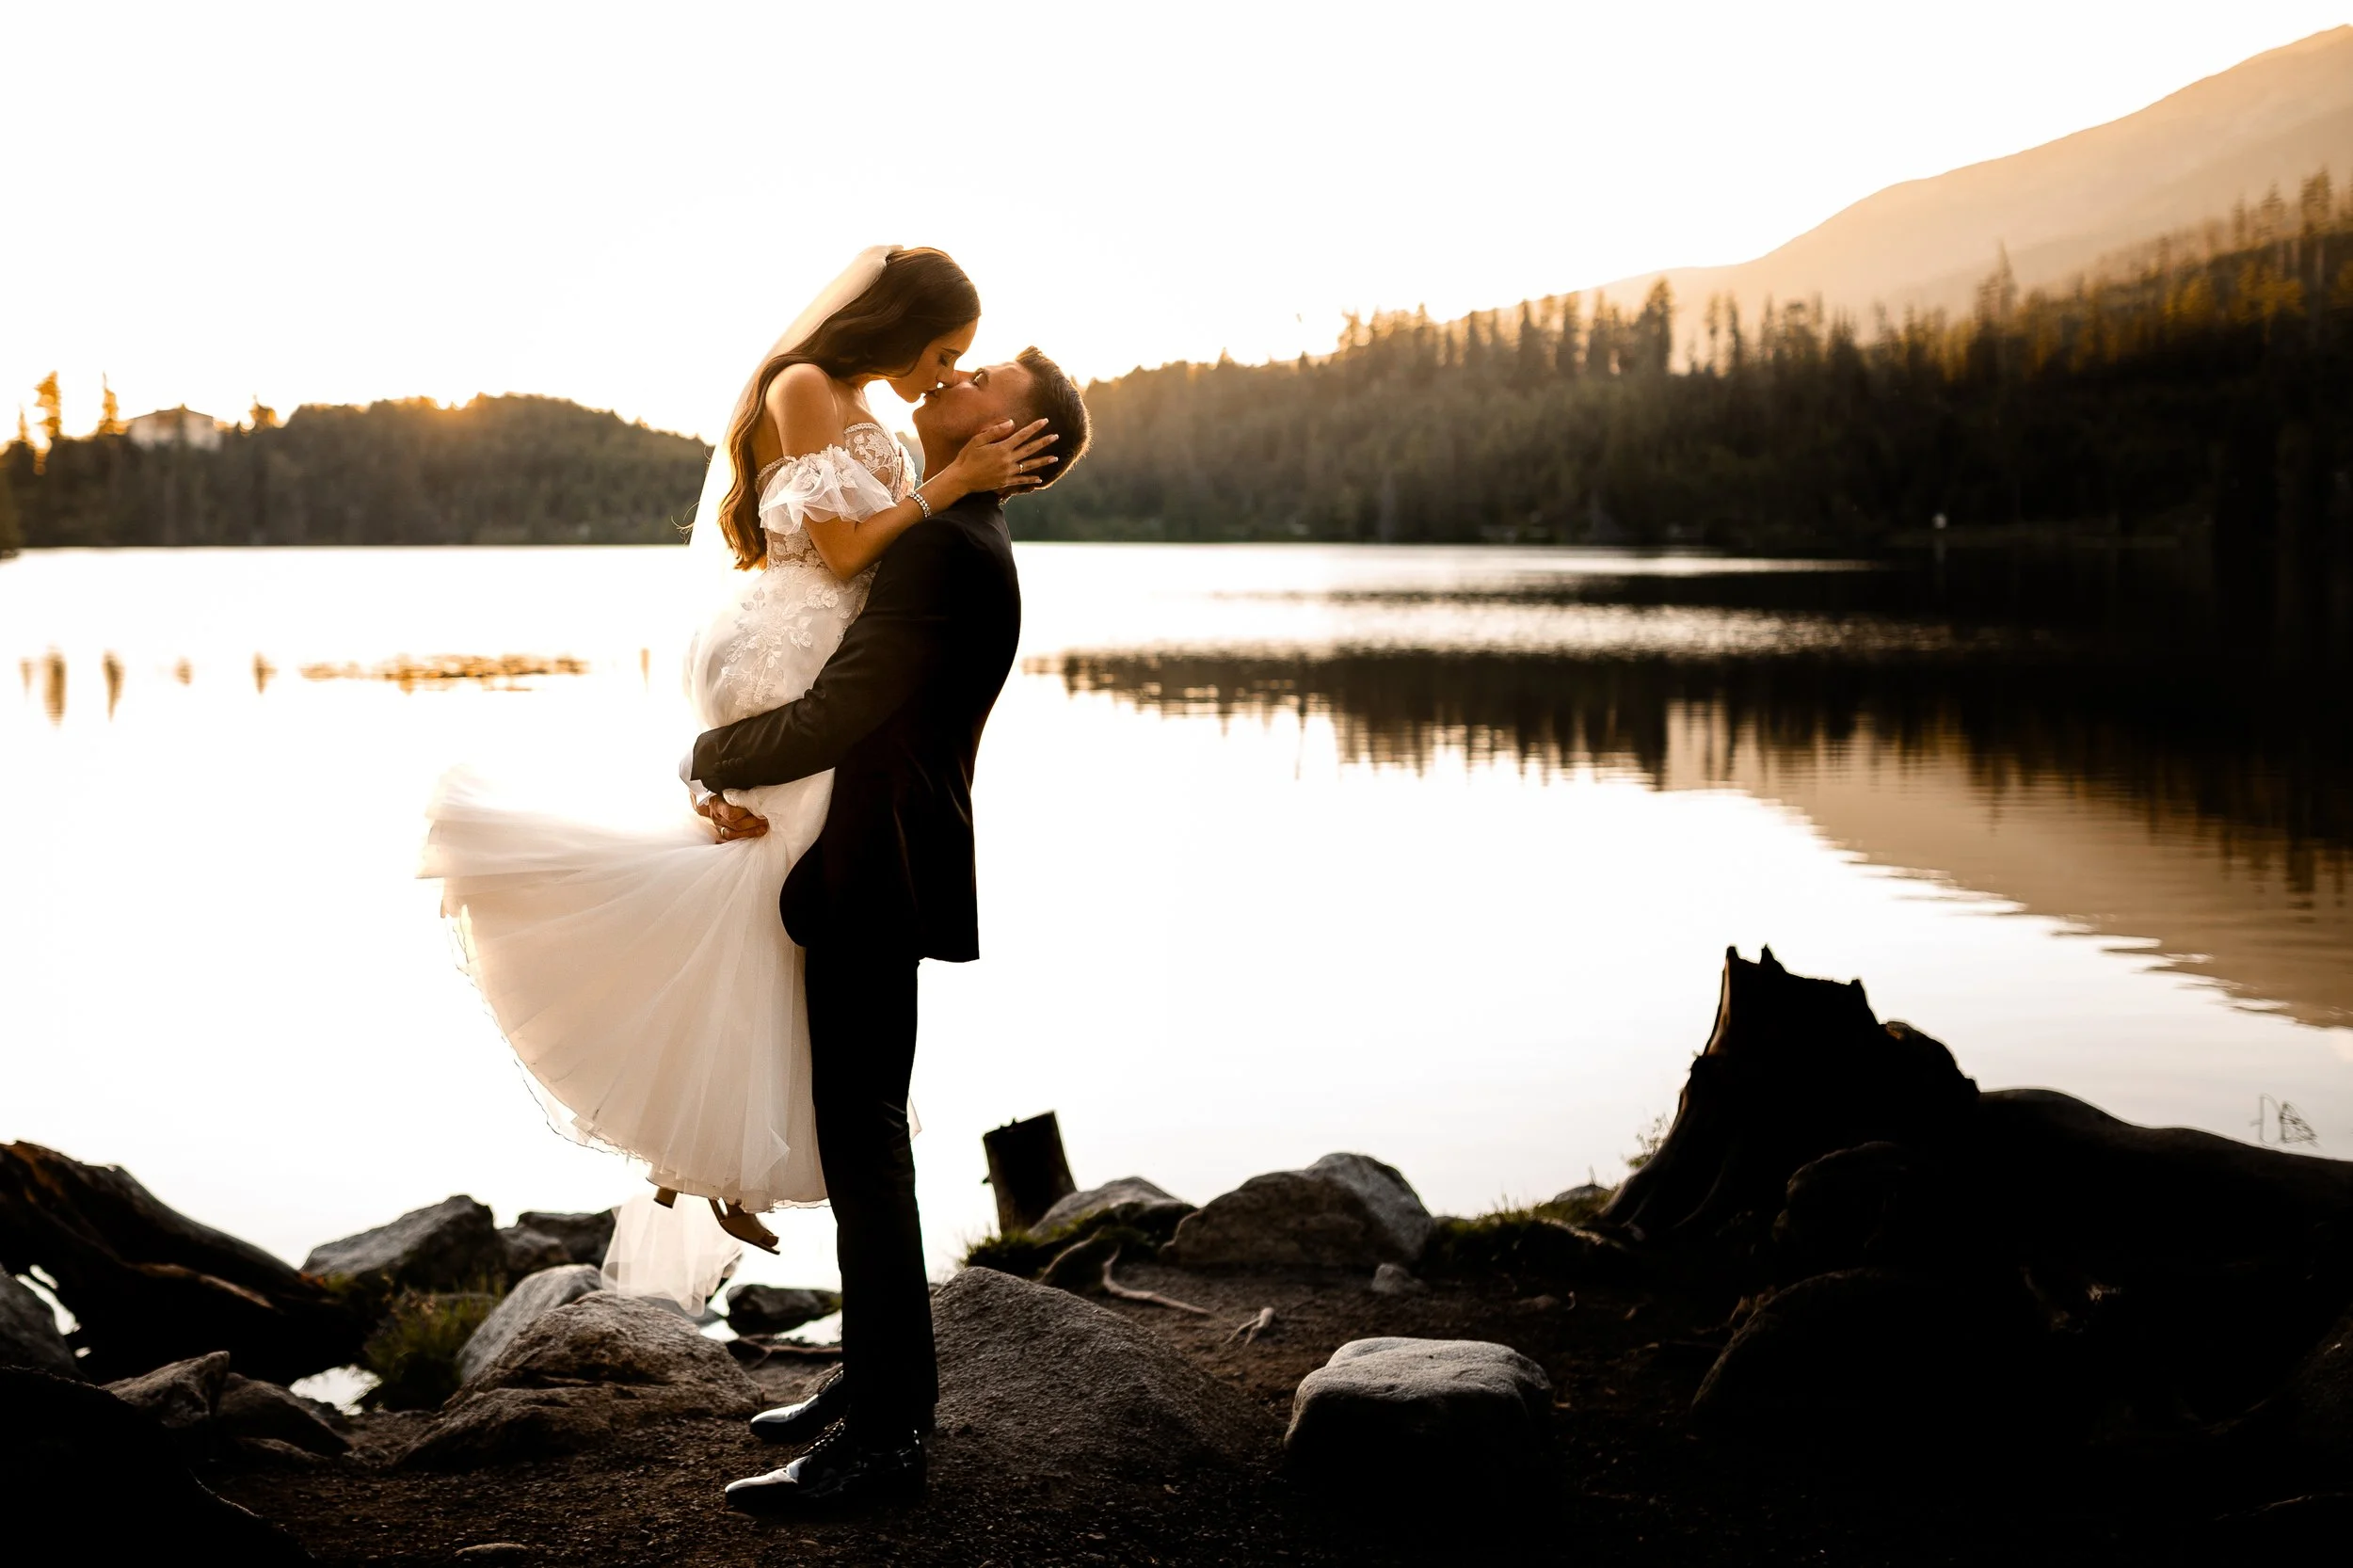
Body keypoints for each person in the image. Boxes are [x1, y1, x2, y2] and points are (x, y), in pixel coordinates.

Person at [418, 247, 1058, 1306]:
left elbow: (882, 571)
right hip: (791, 651)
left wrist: (949, 483)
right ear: (898, 325)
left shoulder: (886, 435)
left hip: (827, 683)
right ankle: (708, 1153)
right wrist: (947, 481)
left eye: (963, 364)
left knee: (753, 904)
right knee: (759, 895)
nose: (944, 373)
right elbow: (849, 552)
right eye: (942, 352)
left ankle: (713, 1153)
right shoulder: (807, 385)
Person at [704, 343, 1090, 1512]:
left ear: (1010, 444)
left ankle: (884, 1439)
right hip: (883, 860)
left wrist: (706, 756)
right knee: (864, 1139)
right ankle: (872, 1386)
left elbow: (836, 714)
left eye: (983, 384)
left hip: (877, 866)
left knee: (864, 1144)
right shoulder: (943, 535)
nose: (947, 381)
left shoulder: (942, 550)